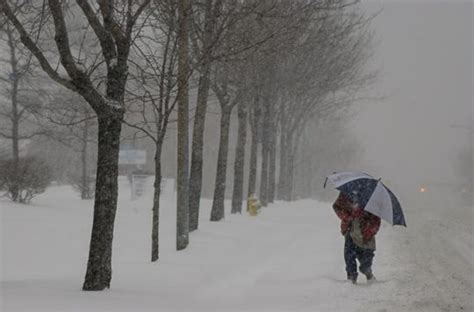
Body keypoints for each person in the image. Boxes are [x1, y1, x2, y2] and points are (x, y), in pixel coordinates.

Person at [333, 192, 381, 284]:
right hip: (350, 229)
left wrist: (363, 215)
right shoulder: (346, 192)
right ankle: (351, 277)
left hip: (366, 231)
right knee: (349, 254)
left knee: (366, 255)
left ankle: (367, 271)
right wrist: (348, 216)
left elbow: (376, 218)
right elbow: (337, 206)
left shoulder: (372, 197)